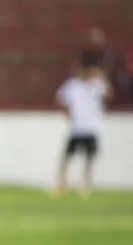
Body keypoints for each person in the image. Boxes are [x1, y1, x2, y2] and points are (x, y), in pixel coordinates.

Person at [54, 53, 112, 198]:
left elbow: (109, 94)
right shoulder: (72, 85)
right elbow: (60, 98)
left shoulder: (97, 85)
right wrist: (67, 112)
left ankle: (86, 185)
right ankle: (61, 184)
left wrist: (101, 77)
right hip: (76, 127)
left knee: (89, 158)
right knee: (67, 156)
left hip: (91, 127)